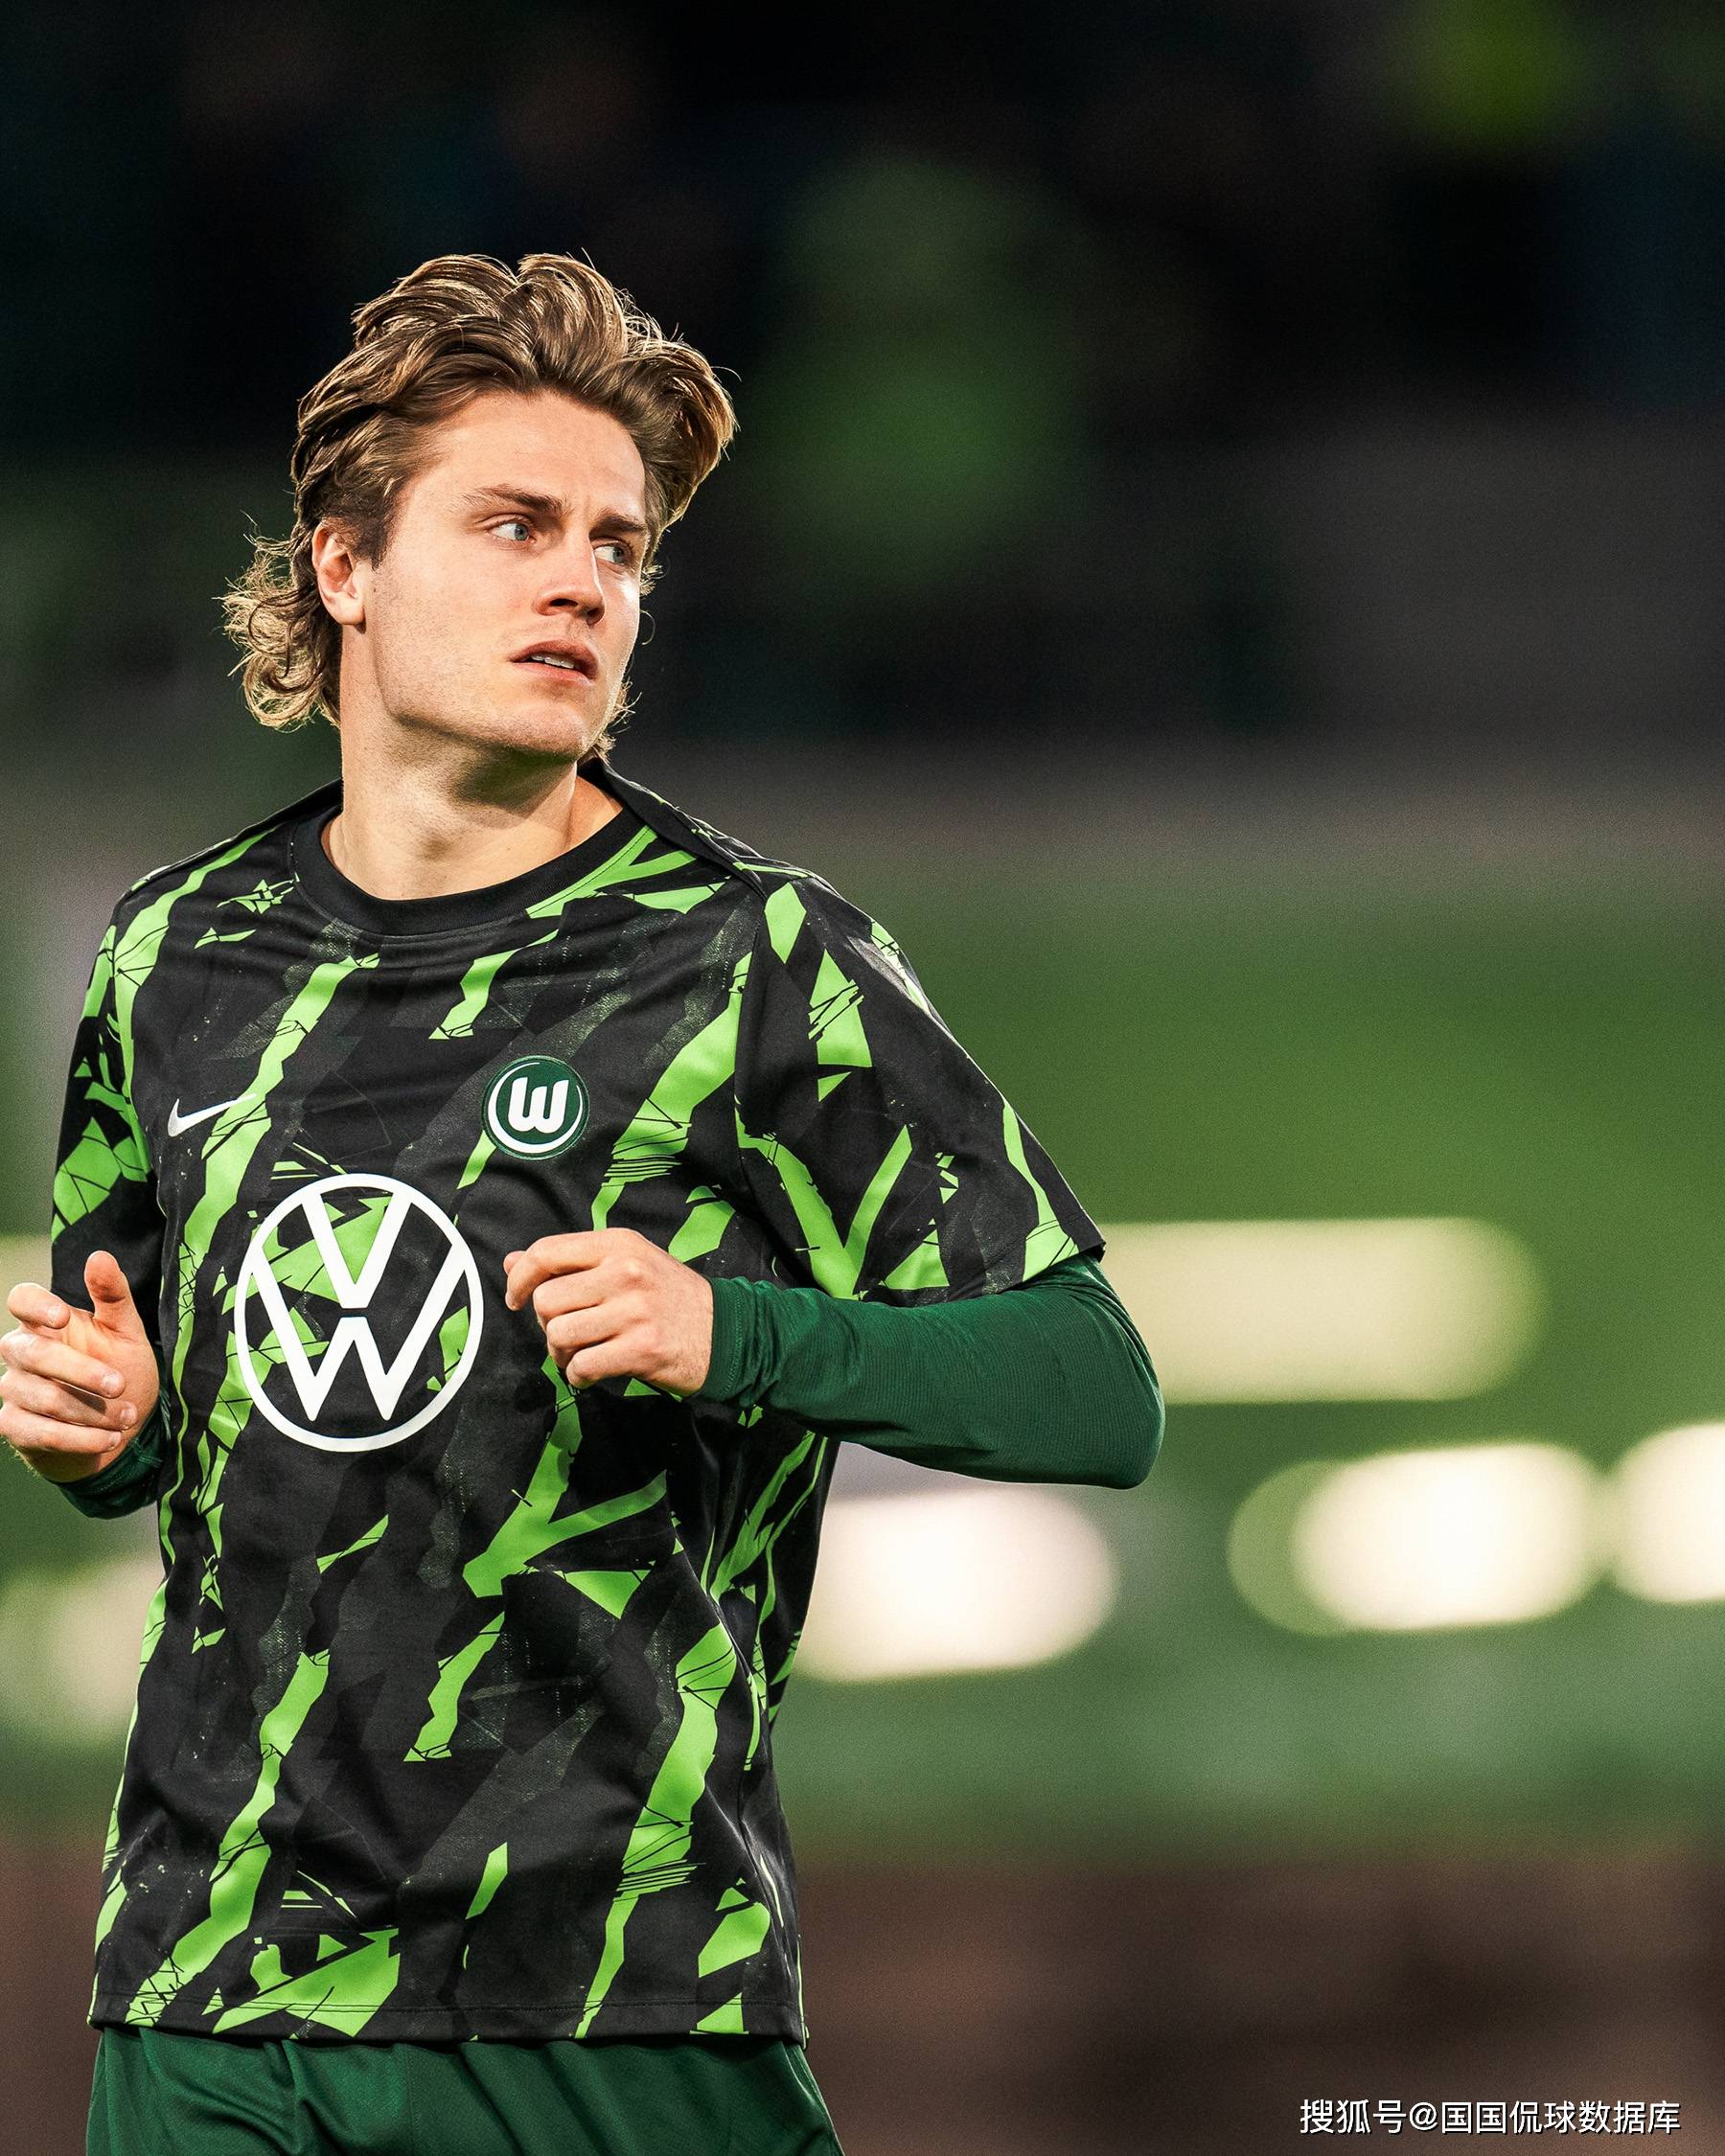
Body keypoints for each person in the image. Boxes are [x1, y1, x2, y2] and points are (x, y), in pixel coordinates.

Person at [0, 252, 1163, 2156]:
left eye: (619, 547)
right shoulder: (172, 956)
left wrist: (738, 1333)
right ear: (343, 565)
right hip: (212, 2001)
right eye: (516, 525)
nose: (584, 583)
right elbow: (170, 1432)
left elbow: (1095, 1385)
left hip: (619, 2002)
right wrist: (106, 1435)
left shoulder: (754, 960)